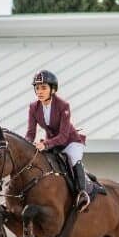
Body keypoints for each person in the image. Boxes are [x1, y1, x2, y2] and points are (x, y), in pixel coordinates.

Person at [25, 70, 92, 211]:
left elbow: (63, 136)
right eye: (37, 88)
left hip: (70, 141)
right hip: (52, 143)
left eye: (44, 87)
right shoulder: (33, 107)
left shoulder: (63, 106)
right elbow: (31, 133)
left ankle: (82, 193)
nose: (39, 91)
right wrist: (26, 146)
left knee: (73, 159)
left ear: (53, 89)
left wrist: (45, 144)